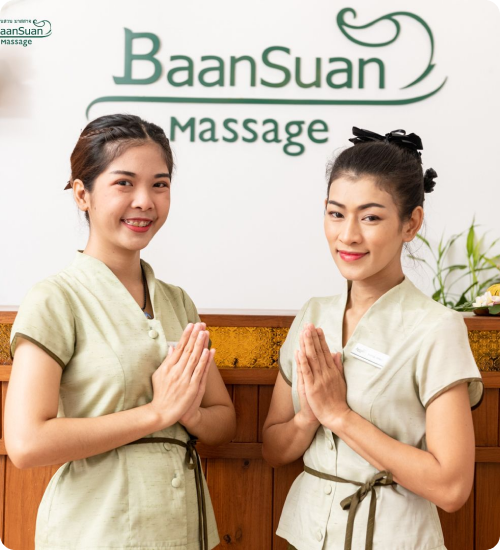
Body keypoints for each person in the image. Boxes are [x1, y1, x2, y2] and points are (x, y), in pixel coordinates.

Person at [5, 113, 236, 550]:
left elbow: (222, 419)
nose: (145, 201)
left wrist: (191, 415)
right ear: (82, 194)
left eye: (160, 184)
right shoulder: (56, 298)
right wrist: (158, 413)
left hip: (183, 530)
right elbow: (26, 442)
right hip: (95, 531)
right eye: (124, 183)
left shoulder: (177, 301)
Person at [262, 127, 483, 550]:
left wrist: (339, 415)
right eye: (336, 213)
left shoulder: (436, 327)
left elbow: (452, 488)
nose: (348, 235)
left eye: (371, 217)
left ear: (410, 223)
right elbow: (273, 449)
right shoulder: (313, 316)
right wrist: (309, 417)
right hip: (308, 536)